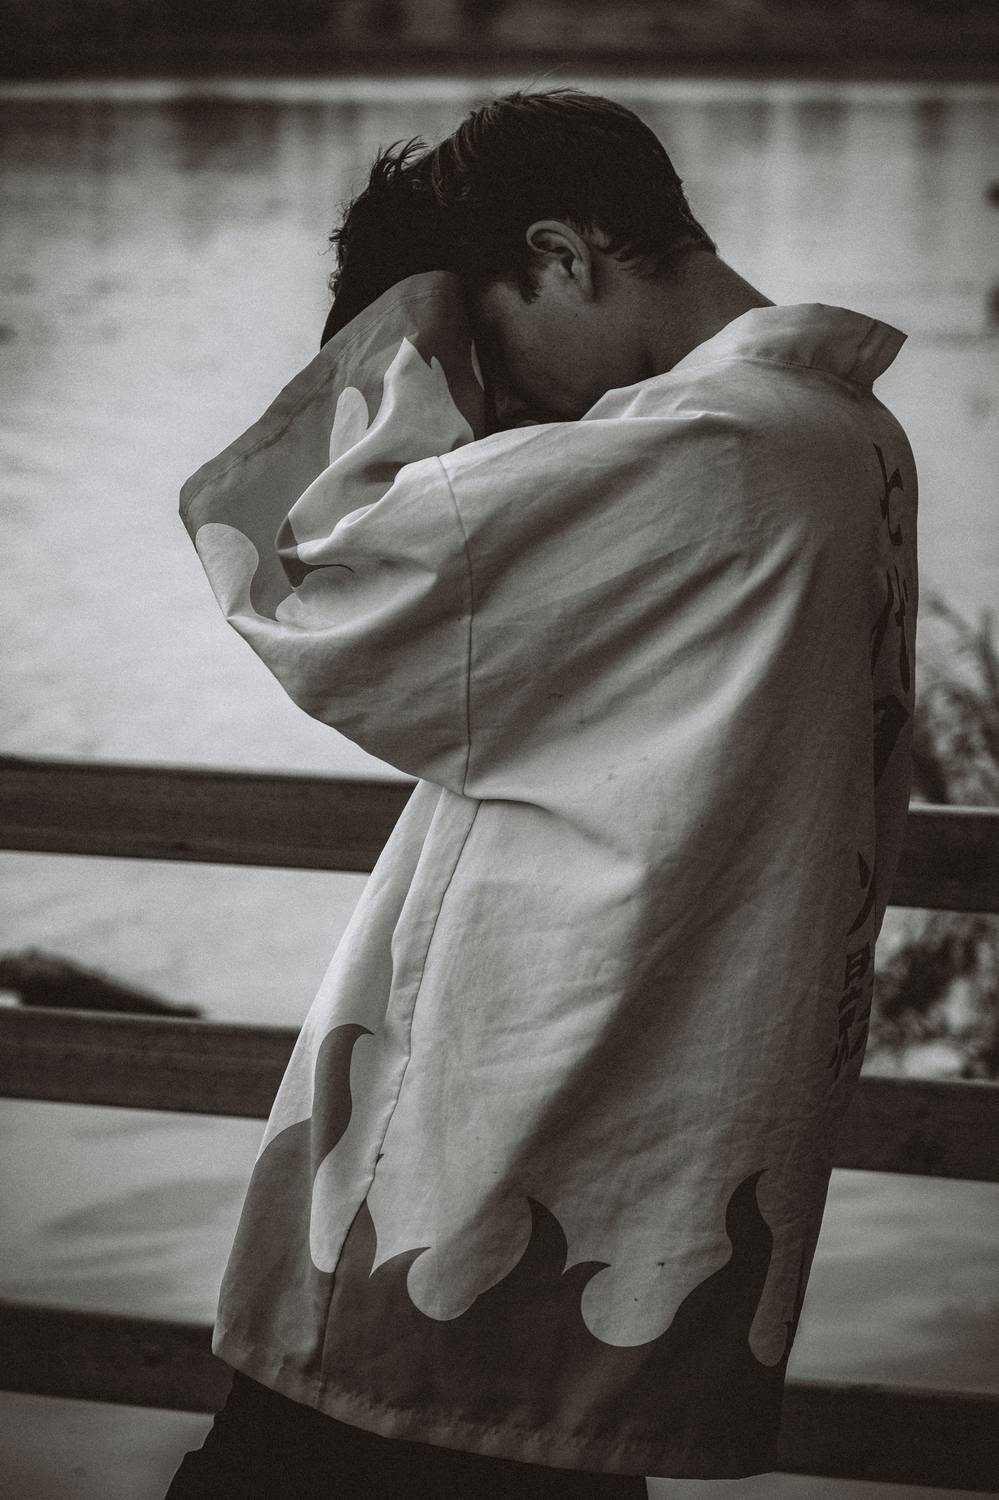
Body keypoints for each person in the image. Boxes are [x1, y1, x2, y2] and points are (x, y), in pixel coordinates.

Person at [166, 89, 917, 1497]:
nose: (500, 411)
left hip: (498, 1140)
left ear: (563, 255)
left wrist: (405, 338)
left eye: (485, 346)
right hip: (635, 1145)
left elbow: (307, 573)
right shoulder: (845, 436)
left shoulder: (718, 448)